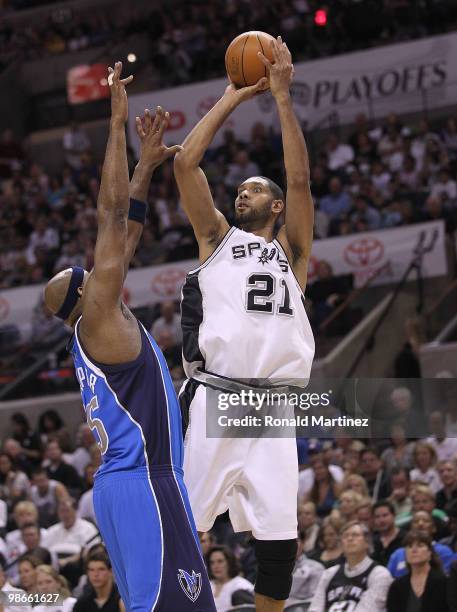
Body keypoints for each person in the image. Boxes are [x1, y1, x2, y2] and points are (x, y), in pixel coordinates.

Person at [43, 62, 215, 612]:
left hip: (123, 483)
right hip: (145, 479)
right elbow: (111, 216)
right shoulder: (98, 318)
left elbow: (130, 231)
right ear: (83, 296)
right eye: (86, 274)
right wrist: (115, 120)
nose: (96, 271)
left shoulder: (99, 326)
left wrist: (144, 167)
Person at [175, 37, 315, 611]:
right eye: (240, 189)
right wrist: (233, 96)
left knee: (280, 544)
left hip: (275, 408)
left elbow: (301, 180)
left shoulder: (294, 255)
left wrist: (282, 99)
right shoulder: (216, 239)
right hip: (217, 398)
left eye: (254, 188)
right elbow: (186, 163)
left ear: (276, 206)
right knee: (184, 527)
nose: (242, 192)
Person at [309, 520, 393, 612]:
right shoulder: (329, 573)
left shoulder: (380, 574)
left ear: (367, 542)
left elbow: (369, 609)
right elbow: (315, 608)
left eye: (355, 535)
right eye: (345, 536)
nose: (350, 539)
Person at [386, 531, 448, 612]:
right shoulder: (397, 586)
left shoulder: (444, 582)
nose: (414, 550)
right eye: (409, 546)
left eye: (420, 545)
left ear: (430, 553)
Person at [387, 510, 455, 577]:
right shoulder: (397, 554)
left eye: (426, 521)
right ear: (410, 528)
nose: (420, 524)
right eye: (416, 521)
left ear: (434, 528)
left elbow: (447, 578)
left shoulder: (444, 551)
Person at [207, 546, 254, 612]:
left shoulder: (242, 586)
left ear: (229, 562)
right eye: (212, 562)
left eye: (220, 561)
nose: (216, 566)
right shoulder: (206, 586)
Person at [286, 531, 324, 607]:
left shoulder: (316, 568)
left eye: (296, 541)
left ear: (302, 544)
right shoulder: (274, 569)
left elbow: (316, 599)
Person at [372, 501, 405, 566]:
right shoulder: (373, 541)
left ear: (394, 515)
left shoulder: (406, 538)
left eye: (385, 515)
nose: (381, 520)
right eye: (377, 517)